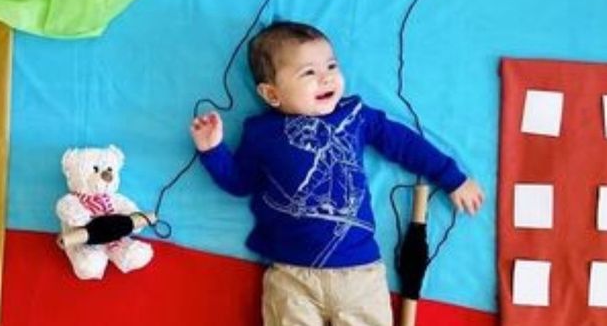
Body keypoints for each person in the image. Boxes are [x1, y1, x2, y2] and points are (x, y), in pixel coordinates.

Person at [190, 21, 484, 326]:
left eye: (331, 65)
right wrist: (212, 151)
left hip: (360, 275)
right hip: (292, 277)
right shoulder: (261, 134)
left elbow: (404, 143)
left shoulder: (354, 115)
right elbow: (240, 182)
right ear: (272, 93)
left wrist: (452, 177)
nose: (326, 77)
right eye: (309, 73)